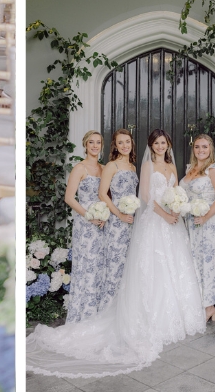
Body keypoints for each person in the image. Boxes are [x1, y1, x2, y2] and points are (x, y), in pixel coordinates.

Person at [27, 129, 206, 377]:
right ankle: (100, 313)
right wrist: (126, 214)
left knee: (165, 268)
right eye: (156, 143)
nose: (160, 146)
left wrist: (176, 208)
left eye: (163, 142)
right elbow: (142, 197)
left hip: (167, 225)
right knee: (138, 267)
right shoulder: (134, 167)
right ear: (149, 146)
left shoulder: (153, 167)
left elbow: (173, 193)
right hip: (144, 221)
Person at [182, 132, 215, 322]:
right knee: (193, 262)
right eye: (197, 147)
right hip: (191, 223)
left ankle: (210, 306)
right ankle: (198, 303)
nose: (201, 150)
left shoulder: (214, 169)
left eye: (204, 147)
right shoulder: (189, 169)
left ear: (211, 149)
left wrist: (206, 217)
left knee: (206, 263)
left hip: (208, 223)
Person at [64, 130, 107, 322]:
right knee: (86, 266)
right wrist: (88, 216)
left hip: (102, 225)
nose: (95, 146)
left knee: (99, 266)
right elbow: (69, 198)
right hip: (85, 224)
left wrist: (105, 215)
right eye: (91, 142)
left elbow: (106, 196)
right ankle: (84, 314)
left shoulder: (105, 168)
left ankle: (98, 312)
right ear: (85, 145)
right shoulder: (79, 168)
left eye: (98, 142)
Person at [97, 128, 137, 310]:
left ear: (131, 143)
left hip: (132, 222)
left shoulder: (133, 167)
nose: (124, 145)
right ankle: (109, 309)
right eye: (120, 142)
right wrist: (119, 214)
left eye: (127, 141)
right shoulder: (111, 166)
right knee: (115, 264)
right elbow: (102, 194)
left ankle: (124, 310)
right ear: (115, 145)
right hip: (116, 222)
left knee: (128, 265)